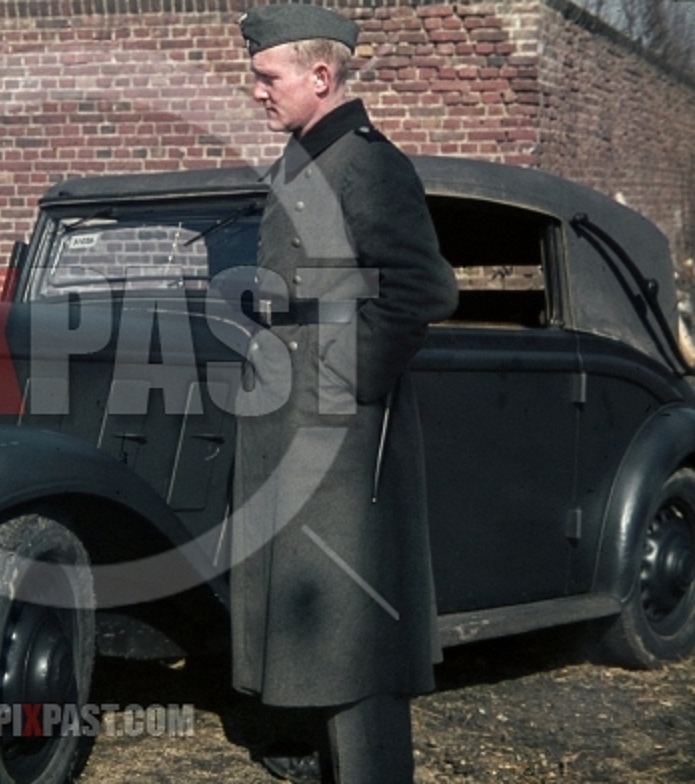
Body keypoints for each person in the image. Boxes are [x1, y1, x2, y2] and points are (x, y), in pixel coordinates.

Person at [229, 4, 459, 782]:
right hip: (290, 414)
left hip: (342, 431)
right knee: (314, 620)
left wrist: (345, 380)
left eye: (268, 77)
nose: (256, 90)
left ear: (320, 76)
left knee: (353, 634)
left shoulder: (367, 166)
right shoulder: (304, 159)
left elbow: (423, 289)